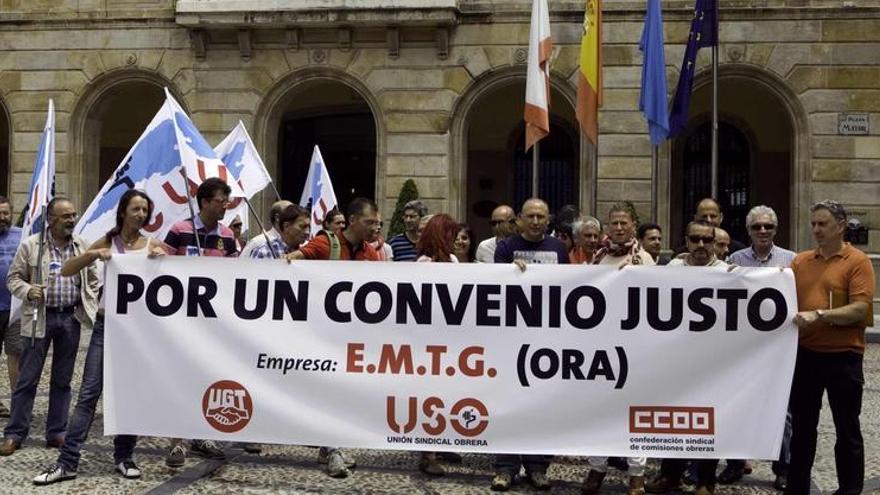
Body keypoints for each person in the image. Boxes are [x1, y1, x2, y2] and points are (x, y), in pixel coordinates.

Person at [32, 189, 167, 485]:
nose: (141, 214)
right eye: (135, 209)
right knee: (88, 394)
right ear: (123, 212)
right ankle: (68, 461)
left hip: (139, 332)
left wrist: (163, 258)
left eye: (145, 210)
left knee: (130, 395)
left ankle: (124, 456)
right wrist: (93, 254)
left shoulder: (152, 244)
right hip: (108, 327)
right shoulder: (109, 241)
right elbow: (67, 270)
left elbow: (180, 276)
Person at [288, 197, 382, 477]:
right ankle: (333, 449)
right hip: (320, 336)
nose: (373, 228)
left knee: (341, 391)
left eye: (376, 223)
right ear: (352, 221)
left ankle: (329, 445)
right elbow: (293, 261)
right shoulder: (326, 244)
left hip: (350, 337)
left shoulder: (371, 254)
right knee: (328, 389)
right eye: (369, 222)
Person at [787, 200, 874, 495]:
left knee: (846, 428)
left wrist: (820, 315)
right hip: (806, 355)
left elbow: (860, 310)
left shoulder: (857, 261)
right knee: (802, 428)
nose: (816, 229)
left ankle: (849, 490)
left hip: (844, 357)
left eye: (822, 224)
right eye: (813, 223)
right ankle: (796, 488)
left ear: (841, 226)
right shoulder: (800, 262)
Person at [1, 198, 98, 456]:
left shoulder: (81, 246)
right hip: (38, 318)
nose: (71, 220)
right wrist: (28, 290)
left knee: (63, 380)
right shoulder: (31, 246)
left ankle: (56, 432)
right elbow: (13, 279)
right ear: (51, 219)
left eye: (73, 215)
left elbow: (94, 279)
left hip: (69, 319)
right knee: (27, 378)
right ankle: (14, 434)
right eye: (66, 216)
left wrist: (87, 299)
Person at [646, 221, 728, 495]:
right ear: (686, 240)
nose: (701, 246)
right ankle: (670, 474)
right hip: (677, 361)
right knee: (675, 418)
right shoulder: (673, 270)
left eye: (707, 240)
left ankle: (706, 480)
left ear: (715, 242)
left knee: (708, 420)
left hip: (712, 363)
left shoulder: (727, 273)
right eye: (696, 240)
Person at [491, 198, 567, 492]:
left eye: (541, 217)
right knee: (508, 404)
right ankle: (505, 468)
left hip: (546, 340)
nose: (536, 222)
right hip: (510, 339)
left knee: (541, 406)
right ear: (519, 220)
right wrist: (508, 272)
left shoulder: (558, 249)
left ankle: (538, 467)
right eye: (530, 216)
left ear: (548, 220)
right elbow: (492, 285)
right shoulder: (506, 248)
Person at [163, 178, 237, 467]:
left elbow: (236, 276)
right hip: (183, 321)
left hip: (213, 323)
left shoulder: (228, 236)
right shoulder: (180, 231)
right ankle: (178, 442)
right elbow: (160, 269)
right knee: (181, 378)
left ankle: (202, 435)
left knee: (207, 378)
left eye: (226, 200)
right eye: (221, 200)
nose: (225, 205)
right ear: (204, 202)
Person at [724, 205, 796, 490]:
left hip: (779, 349)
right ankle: (735, 464)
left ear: (776, 229)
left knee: (784, 412)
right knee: (738, 405)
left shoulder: (792, 260)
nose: (763, 231)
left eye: (768, 226)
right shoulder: (735, 259)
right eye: (757, 227)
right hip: (744, 350)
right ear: (748, 230)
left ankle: (784, 468)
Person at [0, 197, 22, 418]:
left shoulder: (22, 235)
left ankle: (18, 402)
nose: (2, 217)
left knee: (16, 353)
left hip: (15, 306)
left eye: (6, 213)